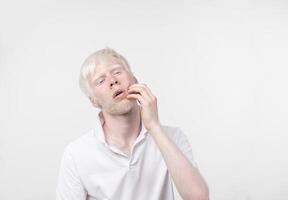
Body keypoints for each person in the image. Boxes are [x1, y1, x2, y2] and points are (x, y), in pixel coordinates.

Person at [56, 47, 209, 200]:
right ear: (93, 101)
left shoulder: (172, 137)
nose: (113, 81)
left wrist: (154, 127)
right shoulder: (76, 155)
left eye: (117, 72)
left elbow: (199, 198)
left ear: (135, 81)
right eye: (101, 81)